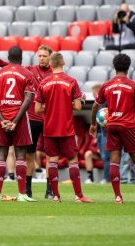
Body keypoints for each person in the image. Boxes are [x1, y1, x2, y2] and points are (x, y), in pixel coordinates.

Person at [0, 45, 53, 198]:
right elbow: (11, 67)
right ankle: (27, 189)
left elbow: (11, 68)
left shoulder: (54, 74)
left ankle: (50, 190)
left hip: (48, 119)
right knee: (28, 155)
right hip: (31, 118)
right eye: (40, 56)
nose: (42, 58)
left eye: (45, 56)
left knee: (51, 155)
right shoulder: (29, 70)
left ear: (50, 57)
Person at [35, 52, 93, 203]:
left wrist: (51, 105)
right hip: (66, 128)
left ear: (50, 64)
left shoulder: (44, 83)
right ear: (63, 63)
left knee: (52, 160)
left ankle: (55, 196)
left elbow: (37, 109)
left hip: (49, 129)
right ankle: (79, 196)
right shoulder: (71, 81)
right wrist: (69, 103)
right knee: (72, 160)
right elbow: (79, 107)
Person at [0, 46, 36, 202]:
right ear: (21, 58)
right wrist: (15, 121)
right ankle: (22, 194)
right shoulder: (27, 74)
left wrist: (2, 120)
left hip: (0, 119)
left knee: (1, 156)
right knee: (20, 156)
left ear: (8, 57)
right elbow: (28, 99)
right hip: (19, 120)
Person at [90, 53, 135, 204]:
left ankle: (117, 197)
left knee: (114, 160)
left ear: (114, 67)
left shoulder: (106, 85)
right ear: (128, 68)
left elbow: (96, 105)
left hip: (112, 125)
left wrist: (92, 124)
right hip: (128, 125)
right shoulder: (132, 85)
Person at [86, 84, 110, 184]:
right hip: (100, 133)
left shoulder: (106, 103)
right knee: (102, 154)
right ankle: (90, 179)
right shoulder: (99, 104)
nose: (93, 95)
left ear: (97, 92)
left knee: (106, 156)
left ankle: (106, 178)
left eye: (93, 93)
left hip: (105, 133)